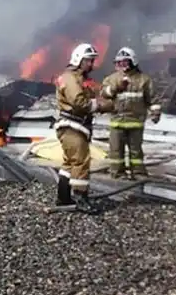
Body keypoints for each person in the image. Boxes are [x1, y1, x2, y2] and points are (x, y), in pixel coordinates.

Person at [55, 43, 113, 213]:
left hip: (77, 126)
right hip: (72, 126)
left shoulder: (81, 78)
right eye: (88, 60)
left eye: (92, 61)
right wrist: (103, 106)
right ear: (78, 59)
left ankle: (63, 197)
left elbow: (98, 90)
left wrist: (116, 92)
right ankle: (81, 199)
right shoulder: (69, 78)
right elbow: (79, 103)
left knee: (70, 163)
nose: (91, 64)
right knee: (81, 162)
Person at [100, 47, 161, 179]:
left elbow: (153, 98)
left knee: (136, 152)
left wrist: (155, 113)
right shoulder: (111, 79)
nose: (121, 65)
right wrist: (117, 86)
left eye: (124, 62)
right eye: (119, 62)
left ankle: (138, 173)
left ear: (133, 62)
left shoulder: (144, 80)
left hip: (135, 123)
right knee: (116, 152)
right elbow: (104, 94)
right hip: (117, 122)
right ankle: (118, 174)